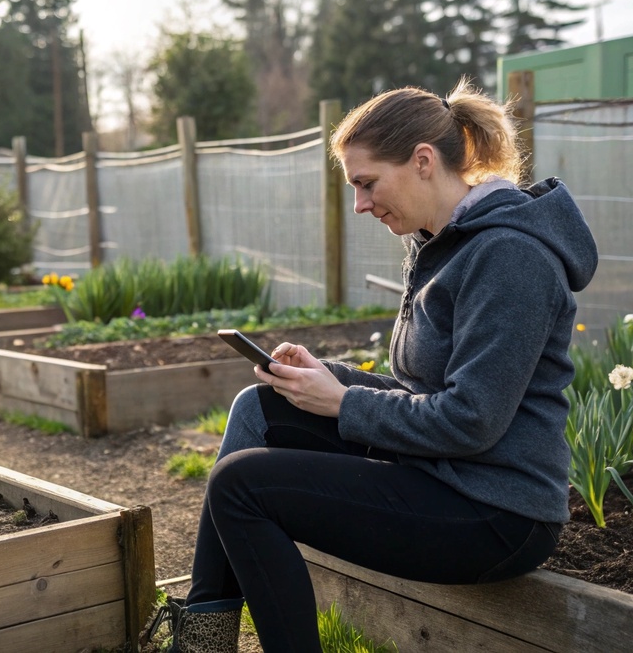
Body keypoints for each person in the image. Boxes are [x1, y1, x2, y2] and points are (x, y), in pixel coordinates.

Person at [145, 78, 598, 652]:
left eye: (366, 183)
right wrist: (329, 378)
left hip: (495, 512)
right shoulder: (441, 243)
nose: (360, 204)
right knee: (260, 407)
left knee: (242, 486)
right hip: (438, 475)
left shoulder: (510, 255)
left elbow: (471, 419)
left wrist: (342, 402)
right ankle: (203, 642)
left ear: (423, 161)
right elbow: (419, 390)